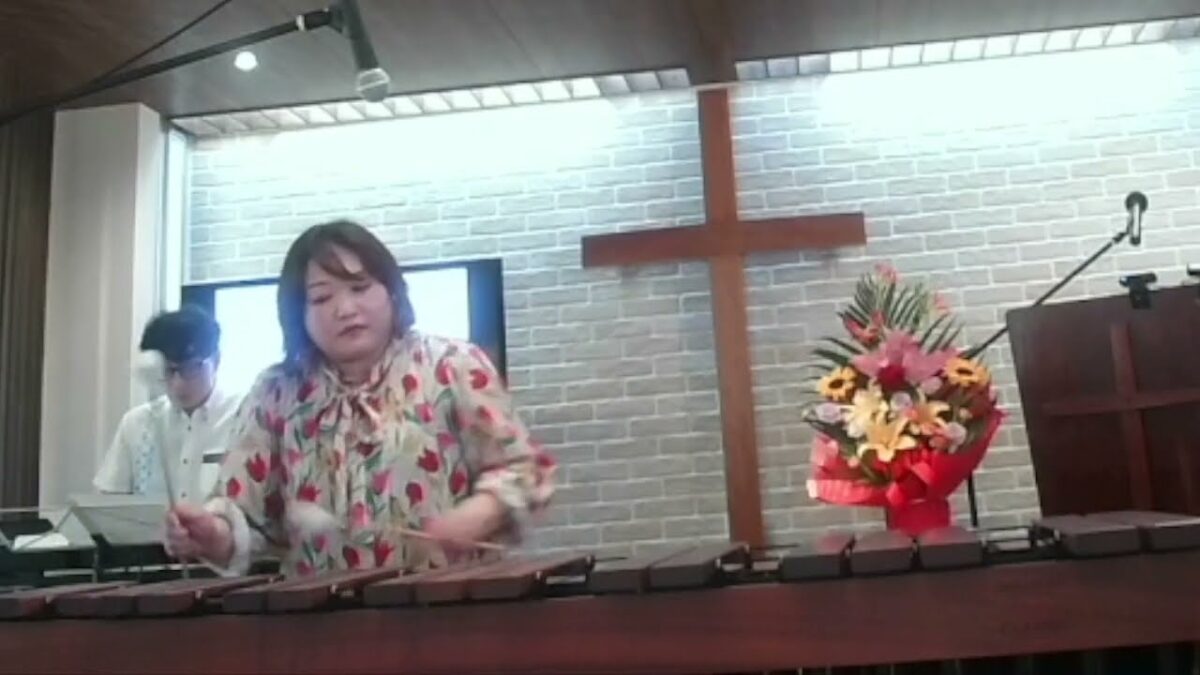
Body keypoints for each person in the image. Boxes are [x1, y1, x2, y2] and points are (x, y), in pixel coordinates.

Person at [164, 220, 556, 577]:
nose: (346, 309)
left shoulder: (453, 366)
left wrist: (478, 514)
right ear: (298, 314)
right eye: (321, 298)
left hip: (451, 609)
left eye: (360, 287)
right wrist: (212, 535)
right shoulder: (275, 392)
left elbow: (526, 469)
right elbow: (244, 516)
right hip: (322, 621)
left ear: (391, 291)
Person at [94, 305, 241, 503]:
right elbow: (109, 503)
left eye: (190, 368)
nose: (178, 384)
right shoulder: (137, 423)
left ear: (216, 360)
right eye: (168, 371)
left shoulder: (243, 417)